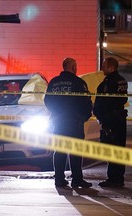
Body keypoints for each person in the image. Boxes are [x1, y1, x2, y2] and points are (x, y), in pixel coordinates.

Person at [44, 57, 92, 188]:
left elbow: (47, 100)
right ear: (74, 67)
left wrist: (56, 113)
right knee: (75, 151)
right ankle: (77, 179)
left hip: (58, 121)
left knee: (59, 150)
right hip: (74, 122)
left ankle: (59, 179)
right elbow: (86, 102)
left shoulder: (54, 82)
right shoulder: (78, 82)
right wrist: (84, 117)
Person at [93, 57, 128, 188]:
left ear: (111, 67)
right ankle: (119, 177)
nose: (102, 68)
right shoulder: (122, 80)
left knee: (111, 148)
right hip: (119, 119)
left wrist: (100, 116)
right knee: (119, 148)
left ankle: (113, 178)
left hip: (110, 120)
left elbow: (103, 103)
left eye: (104, 66)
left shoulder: (108, 83)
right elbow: (122, 100)